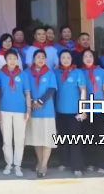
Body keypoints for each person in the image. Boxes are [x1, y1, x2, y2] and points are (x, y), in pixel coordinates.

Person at [0, 49, 30, 177]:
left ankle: (18, 165)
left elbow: (27, 93)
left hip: (20, 110)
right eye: (9, 58)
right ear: (5, 60)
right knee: (7, 139)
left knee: (19, 139)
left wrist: (28, 110)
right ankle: (9, 163)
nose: (12, 60)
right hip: (4, 110)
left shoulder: (23, 74)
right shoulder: (0, 74)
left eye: (14, 58)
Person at [25, 49, 58, 178]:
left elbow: (52, 89)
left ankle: (44, 164)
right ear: (33, 59)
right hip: (33, 110)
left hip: (47, 110)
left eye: (43, 57)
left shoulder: (49, 72)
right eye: (38, 57)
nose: (40, 59)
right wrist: (32, 101)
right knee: (37, 138)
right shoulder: (27, 72)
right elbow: (25, 89)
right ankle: (39, 161)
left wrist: (41, 101)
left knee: (47, 139)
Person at [54, 50, 86, 177]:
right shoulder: (56, 73)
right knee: (62, 139)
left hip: (75, 112)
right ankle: (64, 162)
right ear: (60, 59)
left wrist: (82, 110)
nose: (66, 60)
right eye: (63, 57)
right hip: (60, 111)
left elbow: (83, 90)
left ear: (72, 59)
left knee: (75, 140)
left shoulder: (78, 72)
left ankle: (76, 166)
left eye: (68, 57)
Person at [79, 49, 104, 175]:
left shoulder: (101, 71)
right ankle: (90, 163)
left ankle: (102, 164)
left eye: (90, 56)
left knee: (101, 138)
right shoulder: (80, 72)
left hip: (100, 109)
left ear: (94, 58)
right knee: (88, 138)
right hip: (86, 110)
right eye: (85, 56)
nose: (88, 58)